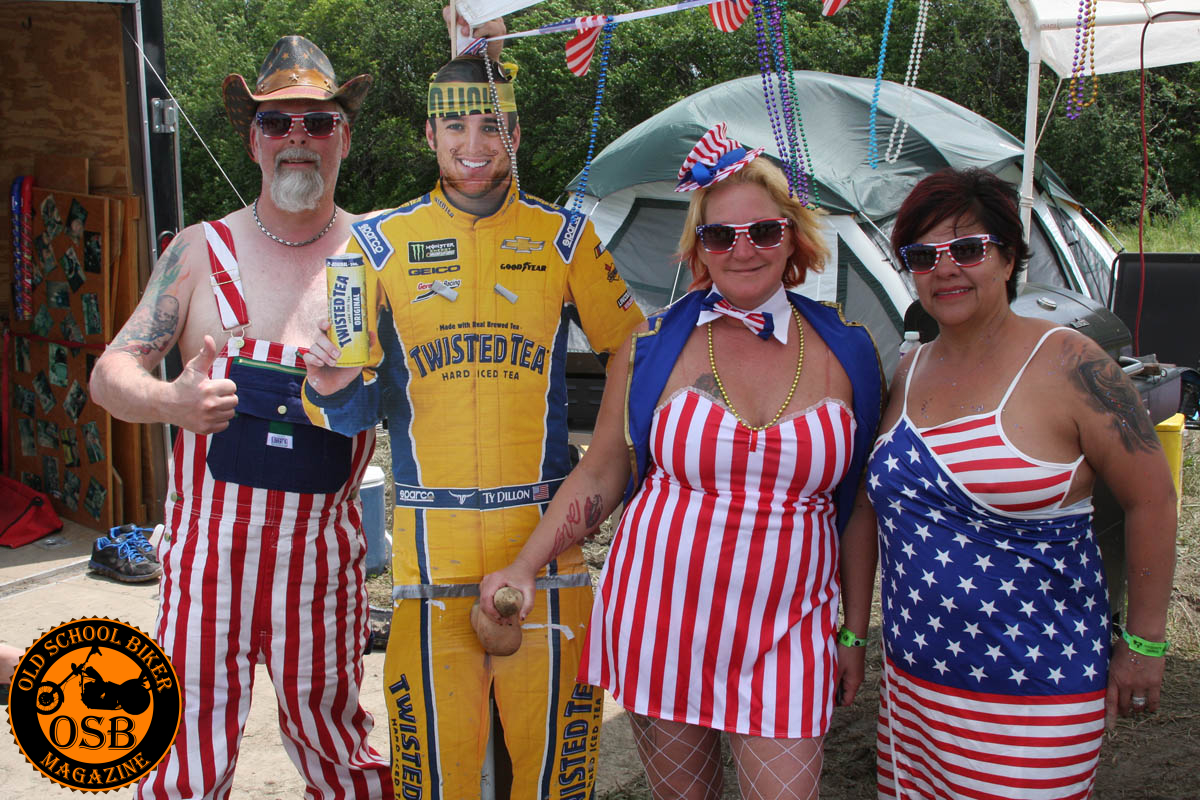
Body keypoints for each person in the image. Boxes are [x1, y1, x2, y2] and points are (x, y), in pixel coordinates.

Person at [479, 124, 884, 800]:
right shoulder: (653, 347)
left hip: (790, 628)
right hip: (663, 619)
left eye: (764, 231)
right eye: (720, 236)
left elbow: (859, 507)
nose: (743, 249)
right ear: (698, 247)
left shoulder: (851, 351)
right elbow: (603, 472)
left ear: (794, 236)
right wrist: (524, 563)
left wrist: (851, 631)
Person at [300, 32, 646, 800]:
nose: (474, 144)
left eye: (492, 125)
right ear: (428, 133)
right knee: (435, 787)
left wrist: (616, 449)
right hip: (428, 572)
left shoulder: (566, 238)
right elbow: (349, 411)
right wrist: (327, 386)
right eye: (455, 126)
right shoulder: (371, 246)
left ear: (516, 134)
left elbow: (637, 349)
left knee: (559, 785)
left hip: (547, 563)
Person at [89, 35, 393, 799]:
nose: (298, 138)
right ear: (253, 139)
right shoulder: (196, 253)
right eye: (278, 122)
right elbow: (108, 375)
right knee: (183, 757)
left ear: (344, 138)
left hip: (324, 565)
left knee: (340, 753)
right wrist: (168, 401)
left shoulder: (380, 255)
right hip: (205, 563)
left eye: (318, 123)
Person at [868, 167, 1177, 798]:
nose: (945, 268)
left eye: (968, 248)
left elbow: (1152, 500)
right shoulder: (906, 369)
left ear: (1008, 256)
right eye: (923, 255)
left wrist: (1143, 641)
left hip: (1038, 692)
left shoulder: (1072, 363)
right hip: (914, 693)